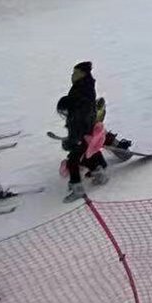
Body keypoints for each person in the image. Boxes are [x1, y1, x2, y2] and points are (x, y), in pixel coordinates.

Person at [59, 60, 98, 201]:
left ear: (83, 74)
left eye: (75, 73)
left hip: (82, 132)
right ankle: (99, 172)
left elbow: (81, 115)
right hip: (83, 131)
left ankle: (78, 189)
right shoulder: (81, 87)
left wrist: (75, 137)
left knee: (74, 161)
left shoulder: (83, 91)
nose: (72, 75)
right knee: (88, 154)